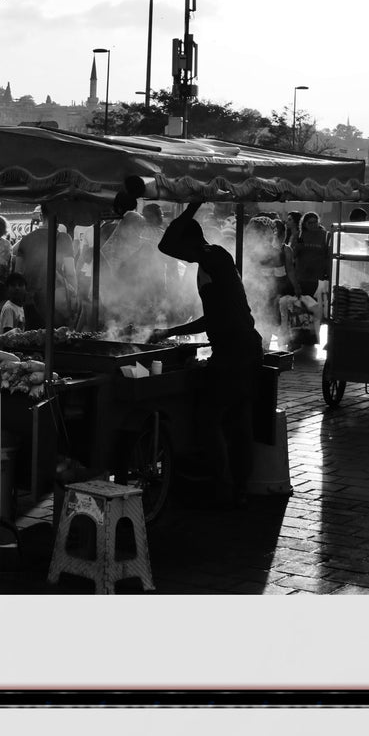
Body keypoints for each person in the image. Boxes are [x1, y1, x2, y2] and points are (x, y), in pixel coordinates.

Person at [147, 202, 263, 508]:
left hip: (234, 353)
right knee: (238, 420)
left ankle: (223, 487)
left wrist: (193, 205)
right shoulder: (216, 257)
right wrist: (170, 331)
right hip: (244, 348)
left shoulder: (211, 259)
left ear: (191, 243)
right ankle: (238, 490)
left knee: (210, 419)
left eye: (184, 250)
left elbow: (165, 245)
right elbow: (215, 314)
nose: (181, 256)